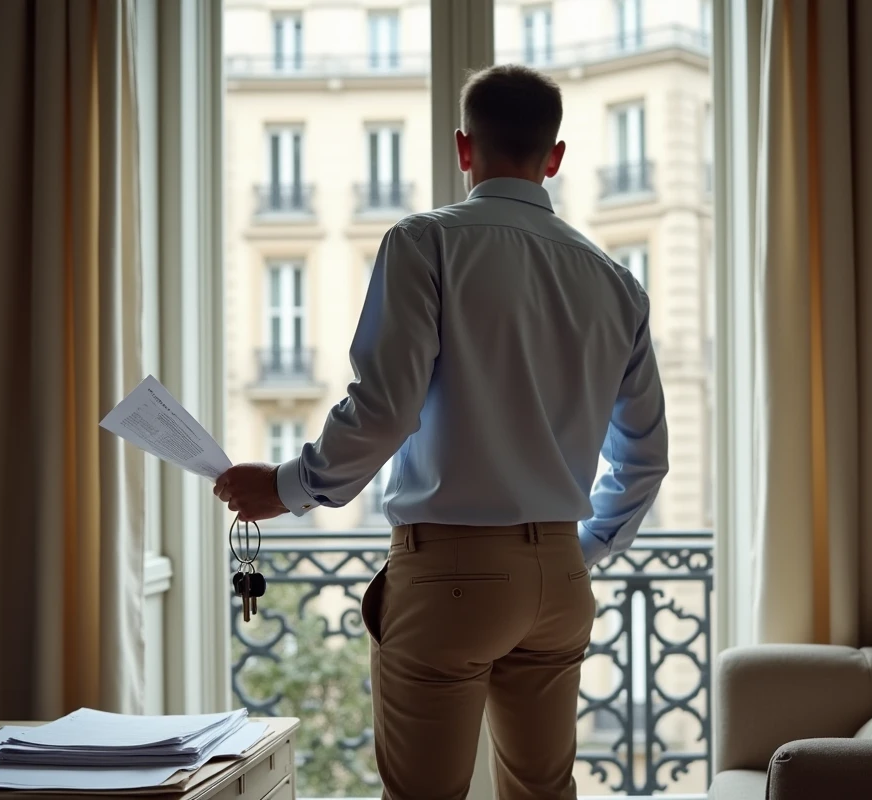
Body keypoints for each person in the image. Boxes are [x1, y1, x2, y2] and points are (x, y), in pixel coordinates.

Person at [215, 64, 668, 800]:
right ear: (554, 157)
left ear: (464, 148)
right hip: (561, 577)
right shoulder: (615, 280)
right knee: (544, 791)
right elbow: (644, 459)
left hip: (452, 573)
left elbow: (386, 407)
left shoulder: (425, 242)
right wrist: (571, 551)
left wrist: (287, 485)